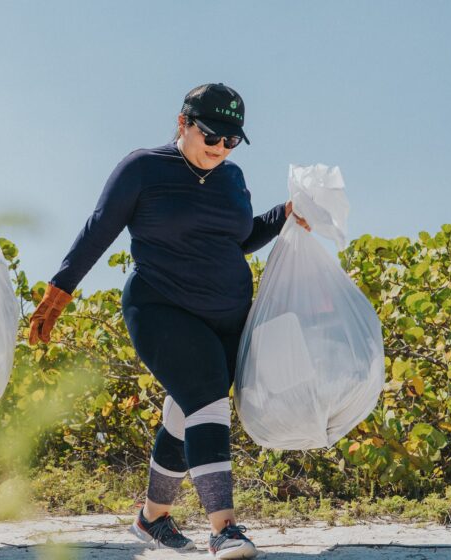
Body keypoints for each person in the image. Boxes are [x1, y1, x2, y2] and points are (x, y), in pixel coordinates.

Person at [28, 83, 310, 559]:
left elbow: (237, 238)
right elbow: (100, 227)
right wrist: (59, 292)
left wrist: (283, 215)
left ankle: (152, 517)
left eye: (231, 140)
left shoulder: (232, 177)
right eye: (211, 136)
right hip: (160, 306)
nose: (220, 148)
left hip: (227, 318)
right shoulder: (143, 168)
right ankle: (225, 527)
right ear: (183, 123)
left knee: (186, 412)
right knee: (205, 395)